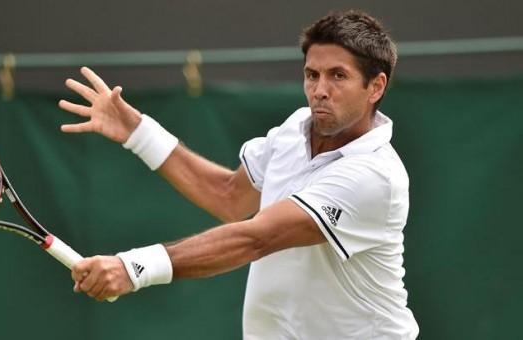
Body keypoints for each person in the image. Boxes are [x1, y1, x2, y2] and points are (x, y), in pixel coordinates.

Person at [58, 9, 419, 339]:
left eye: (338, 76)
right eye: (312, 75)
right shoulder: (295, 129)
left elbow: (255, 238)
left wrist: (134, 268)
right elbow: (229, 196)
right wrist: (137, 132)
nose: (319, 91)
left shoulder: (375, 175)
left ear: (376, 87)